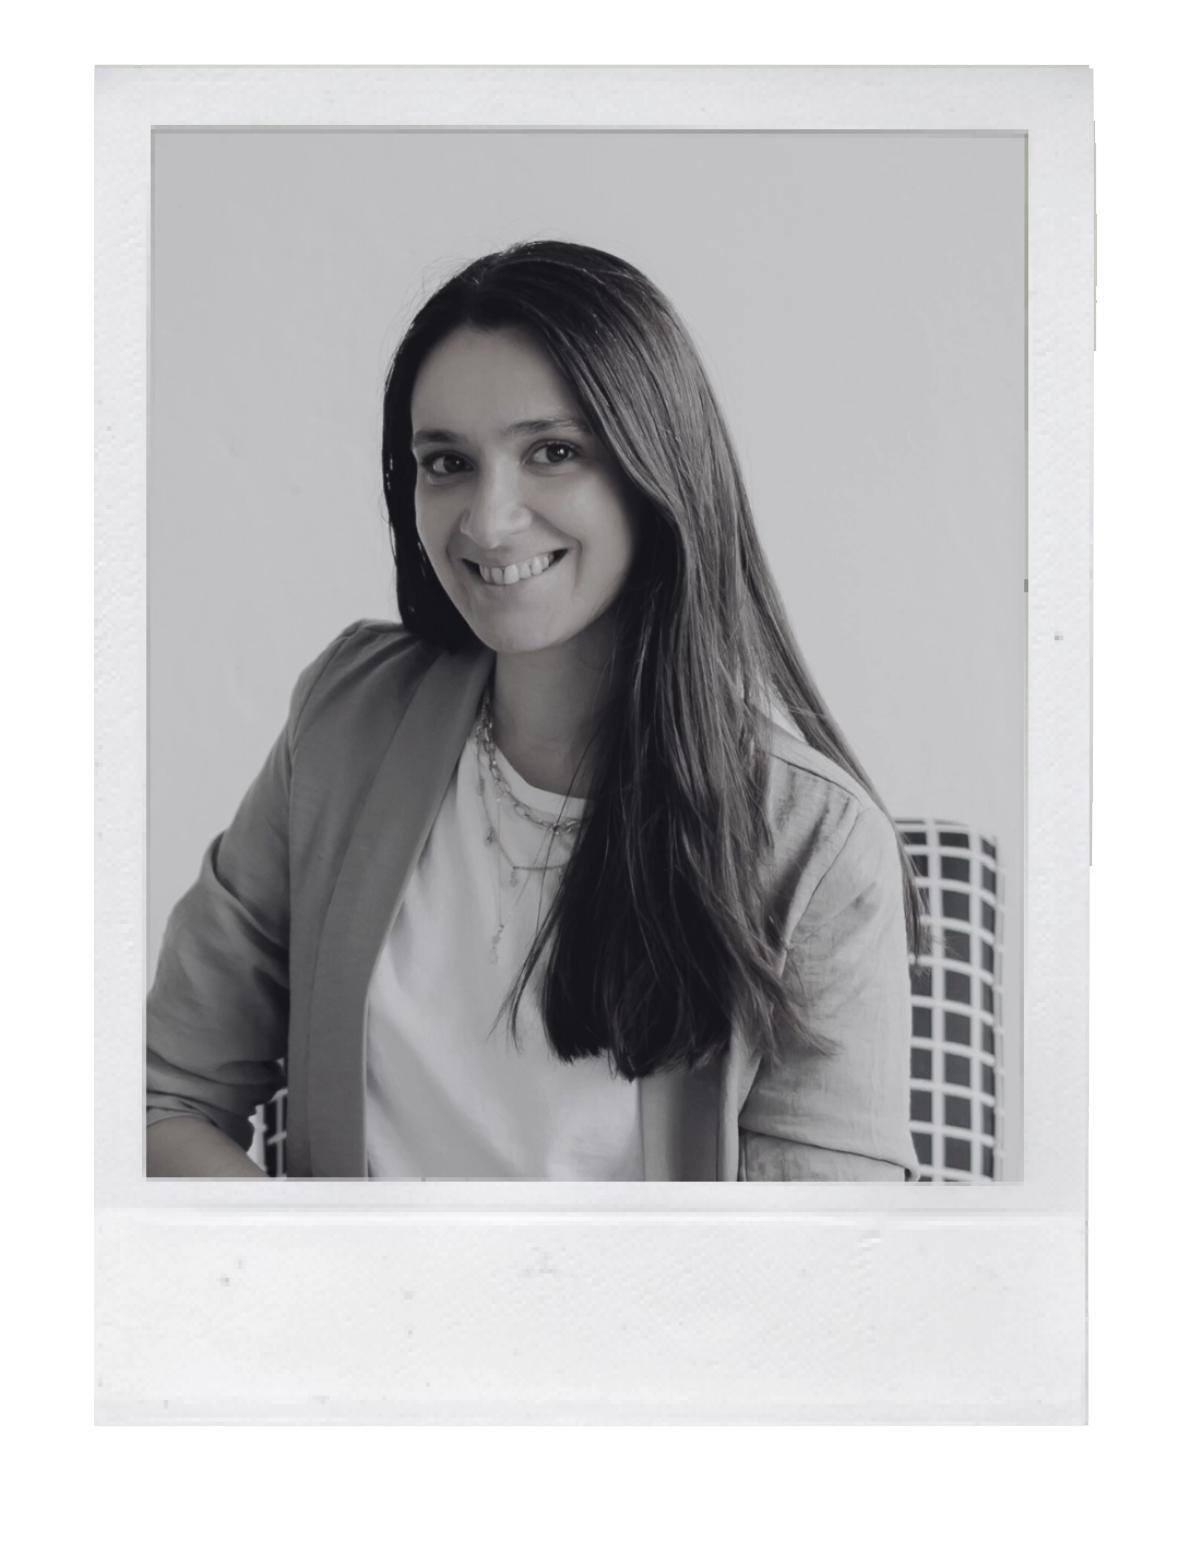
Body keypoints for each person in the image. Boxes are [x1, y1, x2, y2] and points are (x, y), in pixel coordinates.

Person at [146, 239, 925, 1182]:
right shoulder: (345, 718)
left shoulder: (814, 839)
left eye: (551, 453)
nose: (487, 518)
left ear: (655, 471)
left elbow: (823, 1275)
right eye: (447, 463)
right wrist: (327, 1300)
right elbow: (162, 1096)